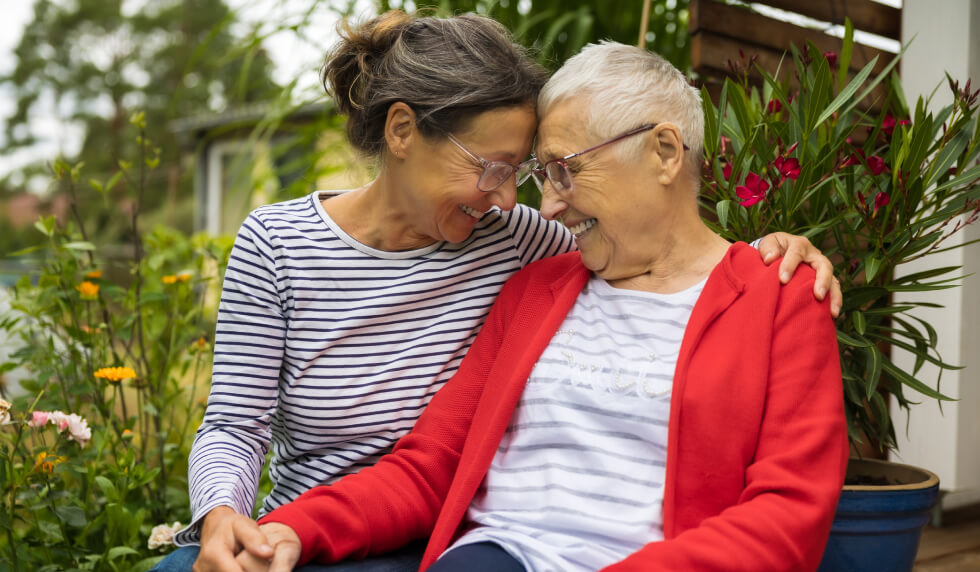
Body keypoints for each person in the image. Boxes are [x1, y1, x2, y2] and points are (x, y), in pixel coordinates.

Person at [159, 11, 841, 572]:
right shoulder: (540, 282)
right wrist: (286, 528)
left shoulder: (775, 295)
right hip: (480, 552)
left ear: (664, 152)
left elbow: (786, 515)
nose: (538, 207)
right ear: (401, 132)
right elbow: (427, 464)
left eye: (560, 172)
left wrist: (771, 254)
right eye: (523, 173)